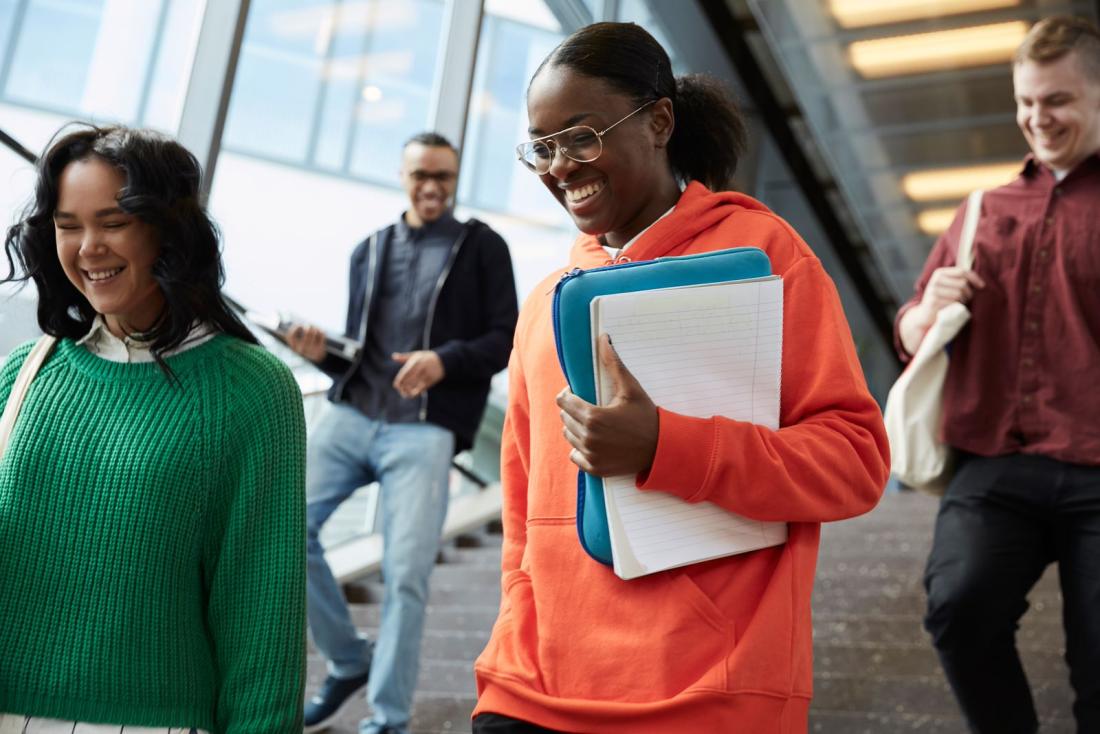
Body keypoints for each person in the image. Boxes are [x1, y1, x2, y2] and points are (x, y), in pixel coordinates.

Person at [471, 21, 889, 734]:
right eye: (542, 147)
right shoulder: (544, 302)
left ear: (659, 121)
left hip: (701, 691)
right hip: (531, 684)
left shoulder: (766, 255)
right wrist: (518, 613)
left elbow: (854, 463)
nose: (559, 166)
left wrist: (665, 446)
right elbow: (520, 503)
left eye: (581, 137)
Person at [0, 125, 307, 732]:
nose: (88, 247)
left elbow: (261, 620)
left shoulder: (251, 391)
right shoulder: (25, 372)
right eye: (68, 225)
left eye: (113, 222)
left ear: (167, 229)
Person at [895, 16, 1100, 734]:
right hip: (996, 463)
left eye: (1058, 101)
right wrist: (924, 316)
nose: (1037, 119)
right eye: (1026, 102)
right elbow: (913, 324)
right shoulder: (982, 208)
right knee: (958, 610)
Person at [289, 132, 517, 734]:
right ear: (403, 175)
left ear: (455, 177)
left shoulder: (482, 248)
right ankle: (348, 660)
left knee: (407, 575)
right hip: (353, 414)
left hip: (424, 431)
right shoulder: (368, 249)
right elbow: (356, 356)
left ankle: (386, 720)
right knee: (284, 529)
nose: (432, 187)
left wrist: (444, 359)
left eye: (443, 175)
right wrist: (317, 353)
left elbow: (504, 337)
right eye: (422, 175)